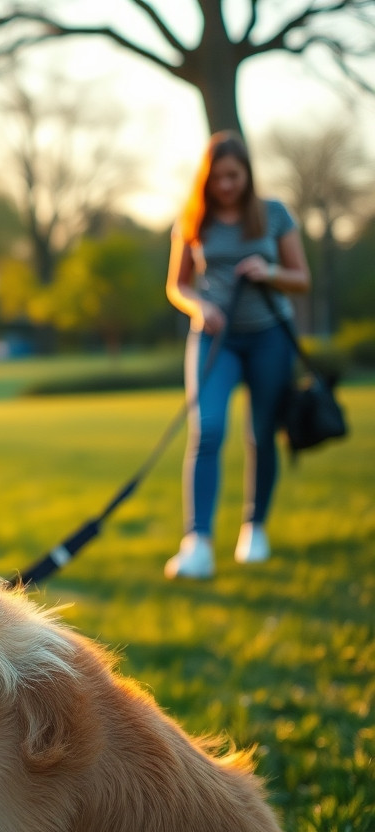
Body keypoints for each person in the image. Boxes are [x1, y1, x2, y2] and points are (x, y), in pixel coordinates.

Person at [163, 131, 309, 580]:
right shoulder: (192, 221)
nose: (226, 185)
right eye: (218, 177)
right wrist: (200, 306)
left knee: (261, 433)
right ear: (206, 179)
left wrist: (269, 272)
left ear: (247, 174)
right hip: (214, 341)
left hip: (268, 337)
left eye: (234, 175)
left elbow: (301, 278)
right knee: (207, 430)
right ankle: (198, 543)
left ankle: (255, 528)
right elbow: (177, 286)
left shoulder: (274, 215)